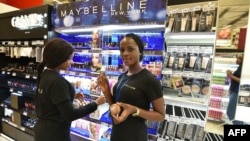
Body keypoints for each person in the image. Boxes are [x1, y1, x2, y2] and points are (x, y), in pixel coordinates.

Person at [34, 38, 106, 141]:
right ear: (58, 58)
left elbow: (50, 99)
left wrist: (69, 95)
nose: (72, 62)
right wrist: (95, 103)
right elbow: (71, 115)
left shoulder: (46, 74)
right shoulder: (57, 81)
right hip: (55, 135)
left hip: (43, 132)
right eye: (69, 58)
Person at [97, 33, 165, 141]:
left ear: (140, 51)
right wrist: (105, 90)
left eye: (130, 49)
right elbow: (115, 106)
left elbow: (160, 116)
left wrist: (135, 110)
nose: (125, 53)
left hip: (135, 136)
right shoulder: (122, 77)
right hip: (116, 135)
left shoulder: (150, 80)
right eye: (122, 50)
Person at [226, 54, 244, 125]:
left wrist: (231, 76)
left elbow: (242, 80)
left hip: (237, 92)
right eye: (237, 58)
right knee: (236, 113)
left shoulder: (244, 67)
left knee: (230, 112)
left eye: (239, 58)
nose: (237, 59)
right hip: (235, 91)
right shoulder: (240, 67)